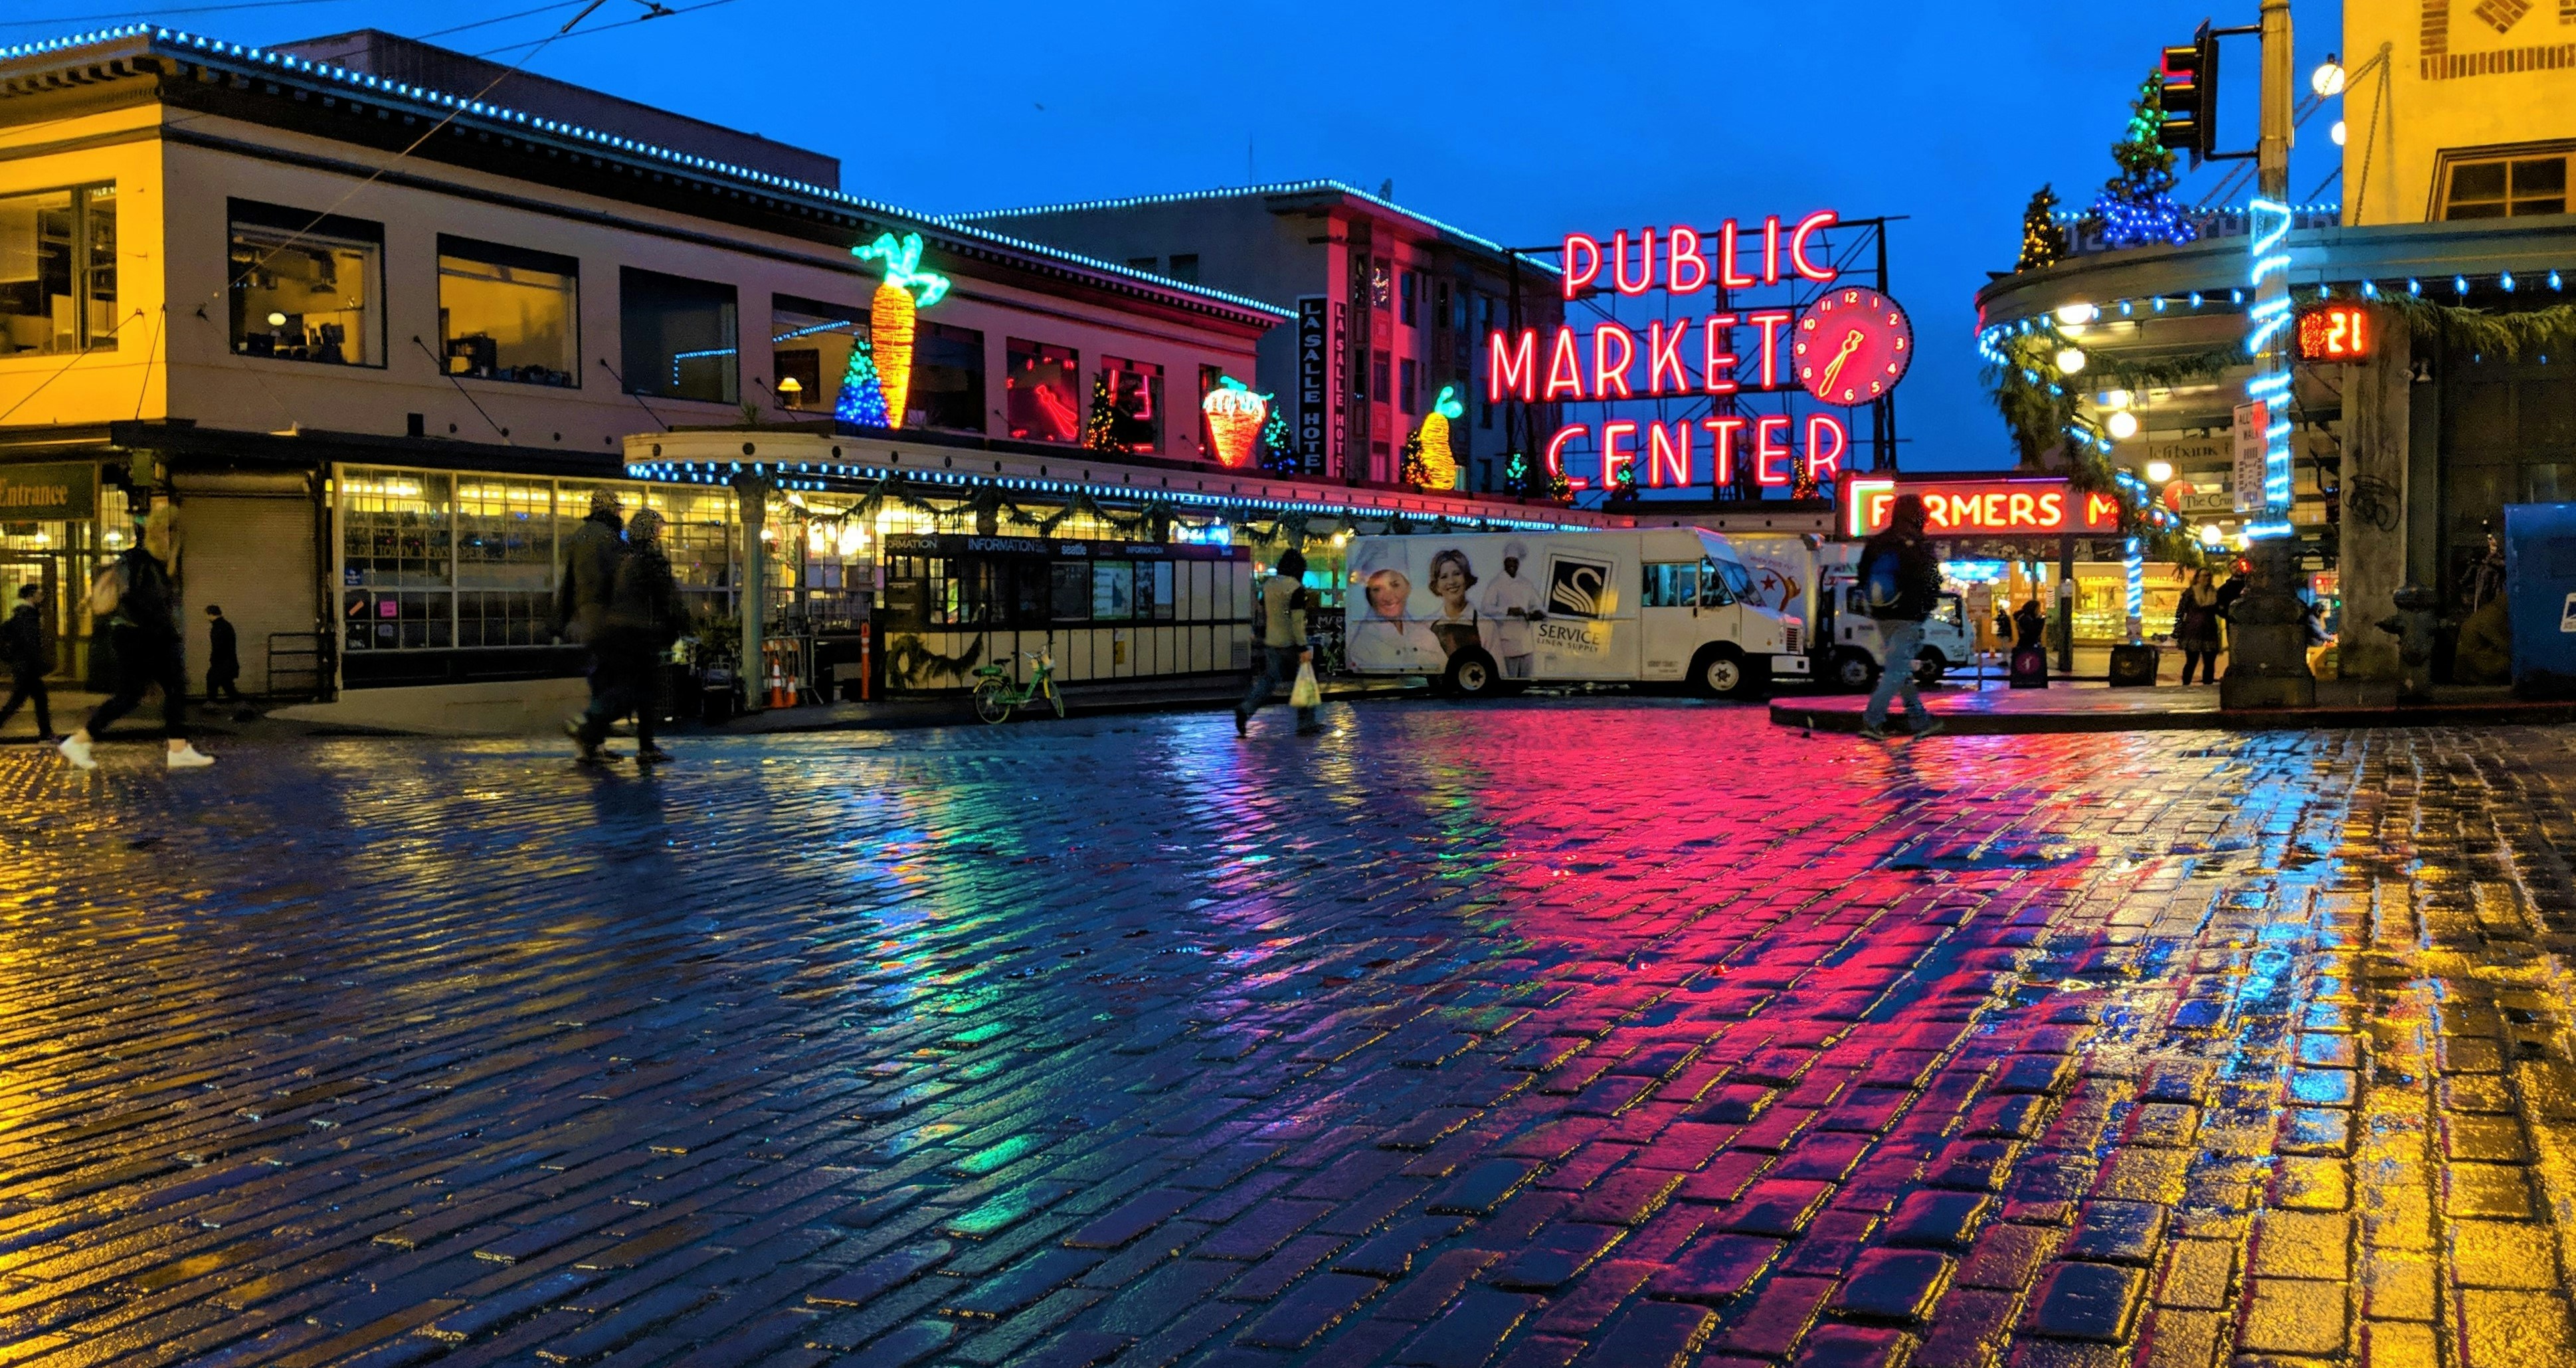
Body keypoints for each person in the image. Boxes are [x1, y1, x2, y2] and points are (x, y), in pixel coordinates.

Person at [61, 505, 214, 770]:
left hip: (142, 636)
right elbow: (136, 600)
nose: (174, 539)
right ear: (162, 532)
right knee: (149, 691)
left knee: (148, 692)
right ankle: (82, 741)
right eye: (171, 532)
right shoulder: (140, 560)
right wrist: (163, 631)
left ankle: (176, 748)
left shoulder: (150, 562)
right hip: (141, 636)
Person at [577, 507, 687, 764]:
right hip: (641, 635)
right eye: (658, 529)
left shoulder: (620, 557)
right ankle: (599, 733)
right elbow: (667, 598)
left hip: (614, 634)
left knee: (628, 690)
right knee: (640, 692)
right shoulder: (650, 559)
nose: (660, 534)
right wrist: (680, 625)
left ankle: (597, 739)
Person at [1854, 492, 1944, 741]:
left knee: (1900, 666)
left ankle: (1919, 719)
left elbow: (1861, 575)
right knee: (1896, 669)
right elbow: (1931, 580)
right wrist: (1927, 606)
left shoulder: (1878, 542)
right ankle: (1873, 720)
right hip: (1909, 615)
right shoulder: (1918, 543)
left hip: (1883, 614)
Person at [553, 489, 624, 761]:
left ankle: (595, 744)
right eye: (617, 509)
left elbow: (569, 582)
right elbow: (618, 579)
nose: (620, 513)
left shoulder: (580, 537)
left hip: (585, 616)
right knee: (616, 681)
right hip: (605, 616)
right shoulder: (609, 538)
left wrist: (560, 620)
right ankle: (588, 730)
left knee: (601, 678)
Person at [1236, 547, 1317, 736]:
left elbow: (1263, 611)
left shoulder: (1268, 585)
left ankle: (1246, 708)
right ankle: (1306, 723)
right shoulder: (1296, 589)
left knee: (1269, 681)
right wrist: (1303, 647)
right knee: (1304, 683)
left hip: (1272, 642)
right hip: (1290, 645)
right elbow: (1297, 621)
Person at [1479, 540, 1542, 678]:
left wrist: (1535, 613)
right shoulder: (1497, 583)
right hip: (1507, 640)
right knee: (1510, 679)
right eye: (1509, 561)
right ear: (1504, 563)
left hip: (1526, 642)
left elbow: (1537, 605)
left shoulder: (1526, 584)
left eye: (1515, 561)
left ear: (1519, 564)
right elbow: (1485, 608)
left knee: (1526, 680)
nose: (1512, 564)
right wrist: (1508, 610)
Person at [1, 583, 54, 741]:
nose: (42, 596)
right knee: (24, 700)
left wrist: (10, 656)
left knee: (31, 699)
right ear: (31, 596)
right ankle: (46, 733)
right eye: (39, 593)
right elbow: (30, 644)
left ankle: (46, 732)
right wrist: (38, 663)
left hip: (24, 665)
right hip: (27, 666)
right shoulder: (27, 616)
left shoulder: (22, 614)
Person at [1425, 547, 1481, 661]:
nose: (1451, 582)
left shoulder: (1486, 625)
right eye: (1444, 577)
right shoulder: (1427, 626)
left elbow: (1498, 671)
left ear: (1466, 578)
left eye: (1457, 574)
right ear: (1437, 586)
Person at [2171, 569, 2224, 686]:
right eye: (2204, 576)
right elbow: (2180, 612)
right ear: (2198, 578)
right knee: (2191, 661)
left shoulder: (2215, 593)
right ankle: (2186, 685)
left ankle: (2207, 686)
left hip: (2209, 631)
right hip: (2192, 631)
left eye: (2209, 575)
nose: (2207, 578)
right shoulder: (2190, 593)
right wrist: (2177, 629)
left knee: (2209, 662)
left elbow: (2220, 610)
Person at [204, 603, 243, 703]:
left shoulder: (218, 628)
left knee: (218, 682)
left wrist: (213, 659)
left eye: (207, 615)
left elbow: (218, 647)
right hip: (227, 662)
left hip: (221, 663)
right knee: (224, 684)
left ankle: (212, 703)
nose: (206, 617)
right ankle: (241, 705)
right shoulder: (226, 626)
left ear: (211, 614)